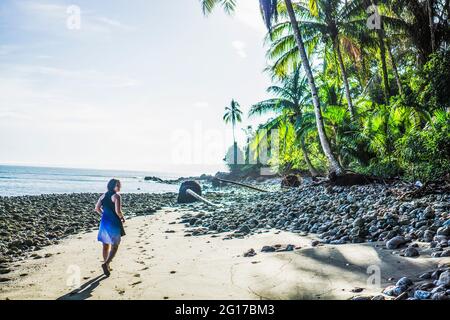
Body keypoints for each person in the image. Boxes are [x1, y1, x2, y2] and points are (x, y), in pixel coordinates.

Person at [95, 178, 125, 276]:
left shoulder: (102, 196)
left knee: (105, 245)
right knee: (115, 245)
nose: (119, 187)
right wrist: (122, 218)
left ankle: (106, 265)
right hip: (114, 222)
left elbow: (97, 208)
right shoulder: (116, 196)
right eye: (118, 185)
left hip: (104, 222)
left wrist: (104, 215)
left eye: (119, 185)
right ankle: (106, 263)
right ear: (112, 186)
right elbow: (118, 211)